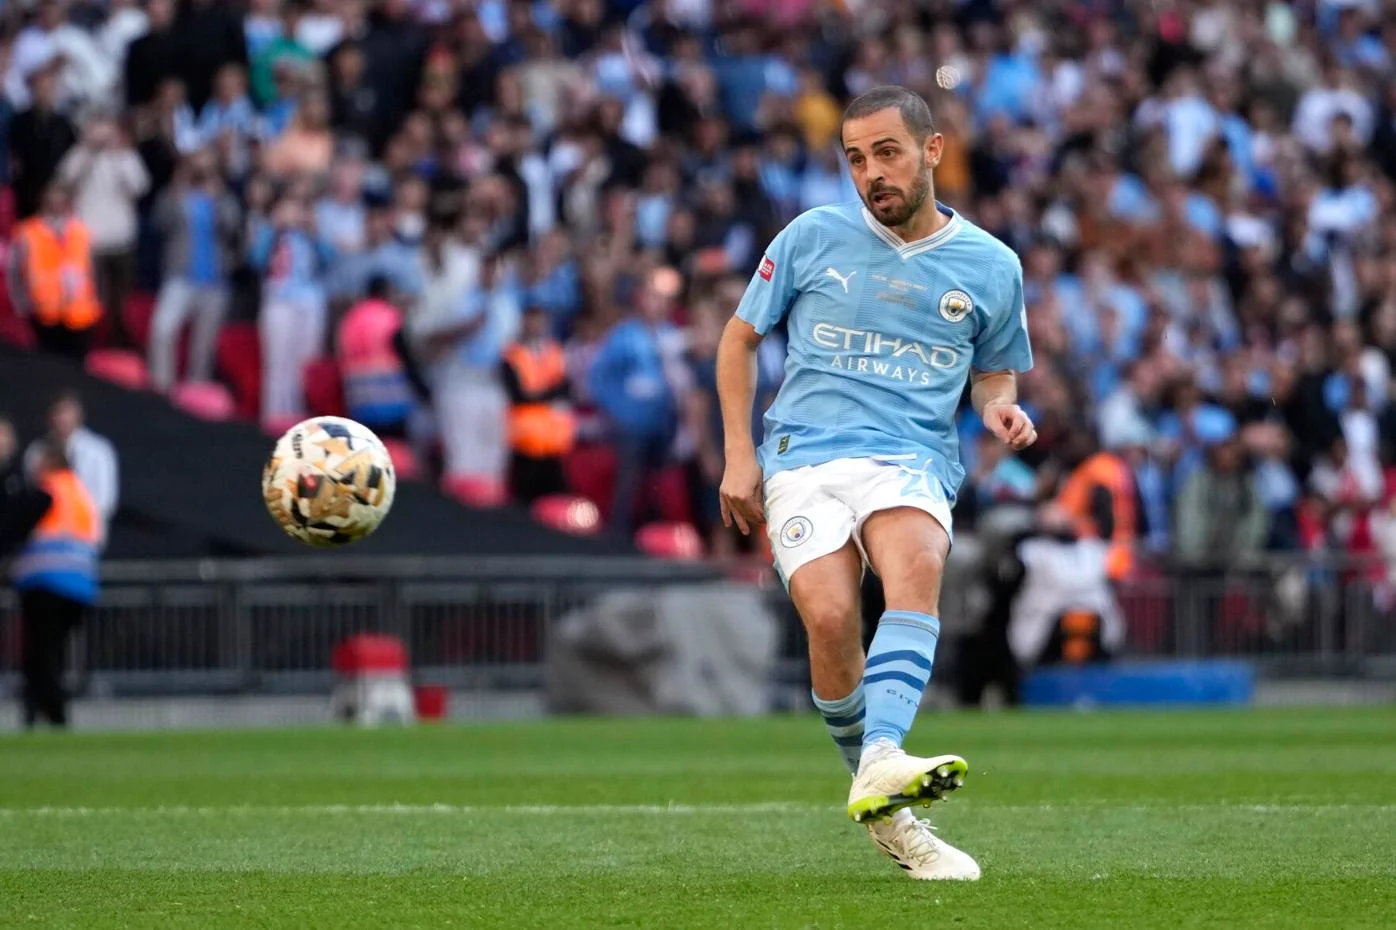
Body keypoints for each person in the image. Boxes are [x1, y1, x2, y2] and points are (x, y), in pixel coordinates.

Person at [716, 86, 1035, 881]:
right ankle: (893, 819)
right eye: (856, 159)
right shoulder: (811, 236)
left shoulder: (992, 266)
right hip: (803, 455)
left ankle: (884, 753)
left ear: (932, 151)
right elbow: (738, 339)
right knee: (829, 621)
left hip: (909, 456)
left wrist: (999, 409)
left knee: (915, 564)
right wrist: (738, 454)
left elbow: (996, 375)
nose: (871, 174)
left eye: (886, 153)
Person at [11, 441, 101, 729]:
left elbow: (14, 527)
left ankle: (49, 711)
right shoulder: (81, 494)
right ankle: (49, 709)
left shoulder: (48, 492)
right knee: (55, 652)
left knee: (40, 652)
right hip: (80, 586)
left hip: (46, 582)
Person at [8, 182, 102, 361]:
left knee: (77, 365)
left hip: (80, 312)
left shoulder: (80, 231)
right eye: (52, 200)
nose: (56, 204)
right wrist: (22, 303)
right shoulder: (27, 232)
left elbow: (95, 268)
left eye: (61, 200)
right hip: (44, 312)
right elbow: (14, 272)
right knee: (50, 365)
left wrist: (97, 299)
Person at [24, 391, 120, 545]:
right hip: (45, 537)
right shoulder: (36, 452)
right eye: (59, 412)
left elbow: (105, 500)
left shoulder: (98, 450)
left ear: (79, 415)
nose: (63, 419)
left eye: (68, 412)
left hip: (85, 536)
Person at [501, 304, 575, 503]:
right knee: (523, 494)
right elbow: (518, 395)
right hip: (525, 437)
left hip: (553, 438)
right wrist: (547, 395)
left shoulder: (555, 352)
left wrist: (540, 395)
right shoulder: (512, 355)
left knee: (553, 494)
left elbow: (565, 387)